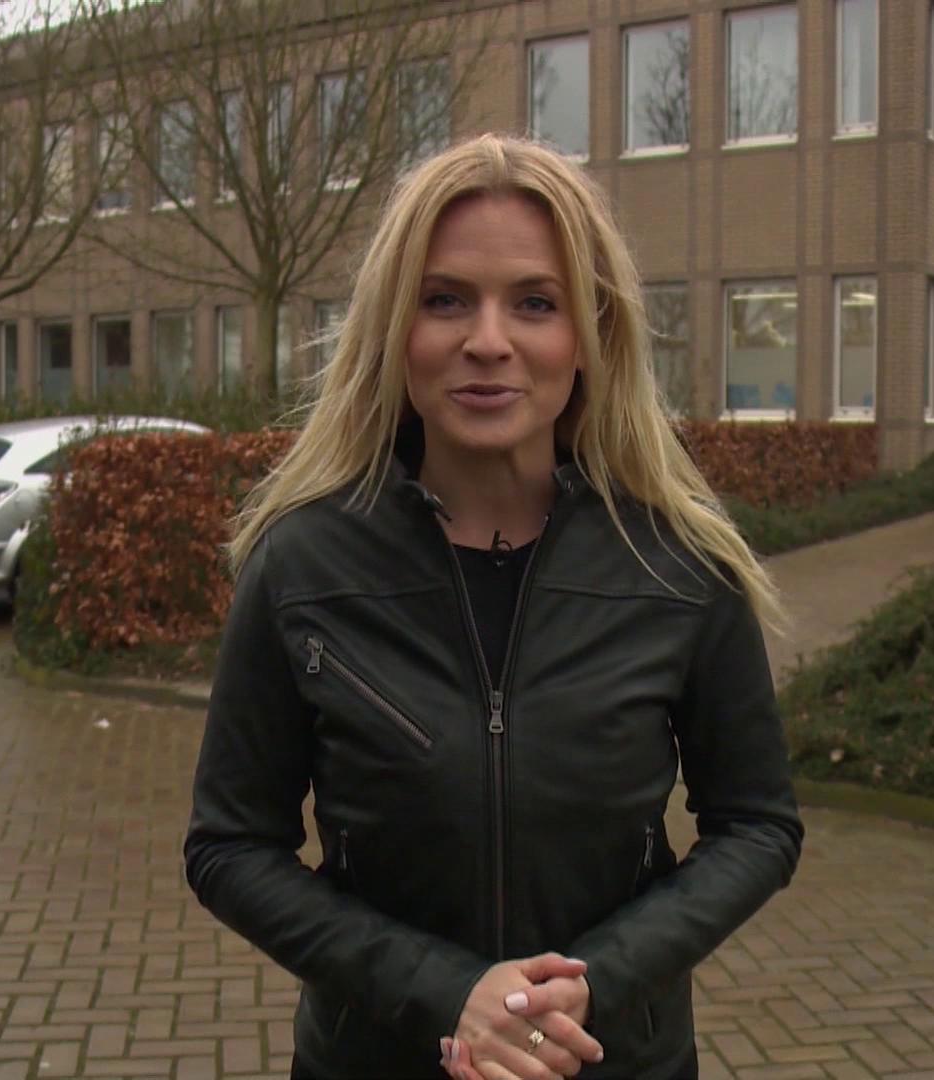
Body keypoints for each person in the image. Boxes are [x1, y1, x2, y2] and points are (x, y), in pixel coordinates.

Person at [183, 133, 805, 1080]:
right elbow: (230, 847)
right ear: (395, 330)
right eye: (444, 300)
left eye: (535, 303)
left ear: (588, 335)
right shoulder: (303, 564)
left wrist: (592, 984)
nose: (487, 340)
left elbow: (758, 826)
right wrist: (445, 993)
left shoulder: (678, 563)